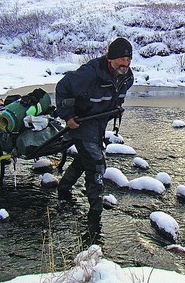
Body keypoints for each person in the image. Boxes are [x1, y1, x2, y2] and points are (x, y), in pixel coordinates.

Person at [55, 37, 134, 236]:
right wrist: (68, 116)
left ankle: (63, 189)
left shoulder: (126, 77)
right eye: (121, 61)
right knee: (97, 163)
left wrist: (116, 109)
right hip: (81, 122)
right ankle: (95, 213)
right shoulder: (89, 73)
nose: (125, 65)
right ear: (110, 59)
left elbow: (115, 95)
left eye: (128, 61)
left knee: (84, 159)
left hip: (98, 122)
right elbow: (62, 88)